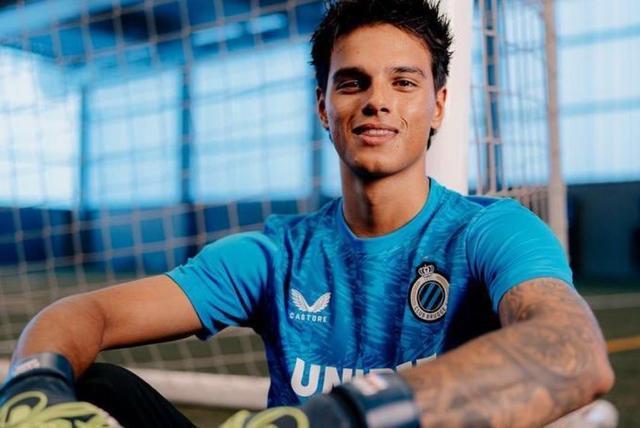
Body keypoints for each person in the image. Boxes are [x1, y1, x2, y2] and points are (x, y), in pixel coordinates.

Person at [0, 1, 614, 427]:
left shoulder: (490, 232)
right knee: (93, 387)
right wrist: (33, 384)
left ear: (439, 105)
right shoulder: (277, 256)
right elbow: (87, 314)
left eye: (403, 82)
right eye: (353, 82)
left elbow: (574, 353)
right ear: (323, 106)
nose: (377, 101)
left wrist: (345, 415)